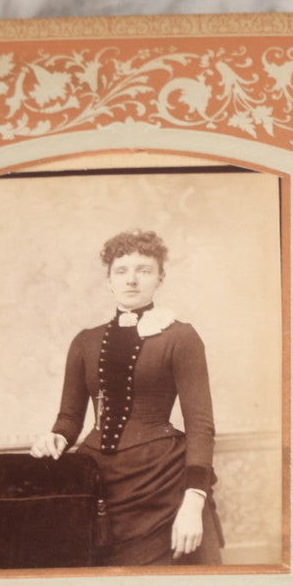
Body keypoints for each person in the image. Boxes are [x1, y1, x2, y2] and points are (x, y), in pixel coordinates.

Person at [30, 229, 223, 565]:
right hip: (99, 482)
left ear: (160, 277)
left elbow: (200, 424)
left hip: (162, 483)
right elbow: (69, 419)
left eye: (143, 270)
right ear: (109, 280)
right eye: (121, 271)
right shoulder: (85, 342)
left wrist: (194, 501)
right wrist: (56, 437)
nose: (131, 280)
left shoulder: (181, 337)